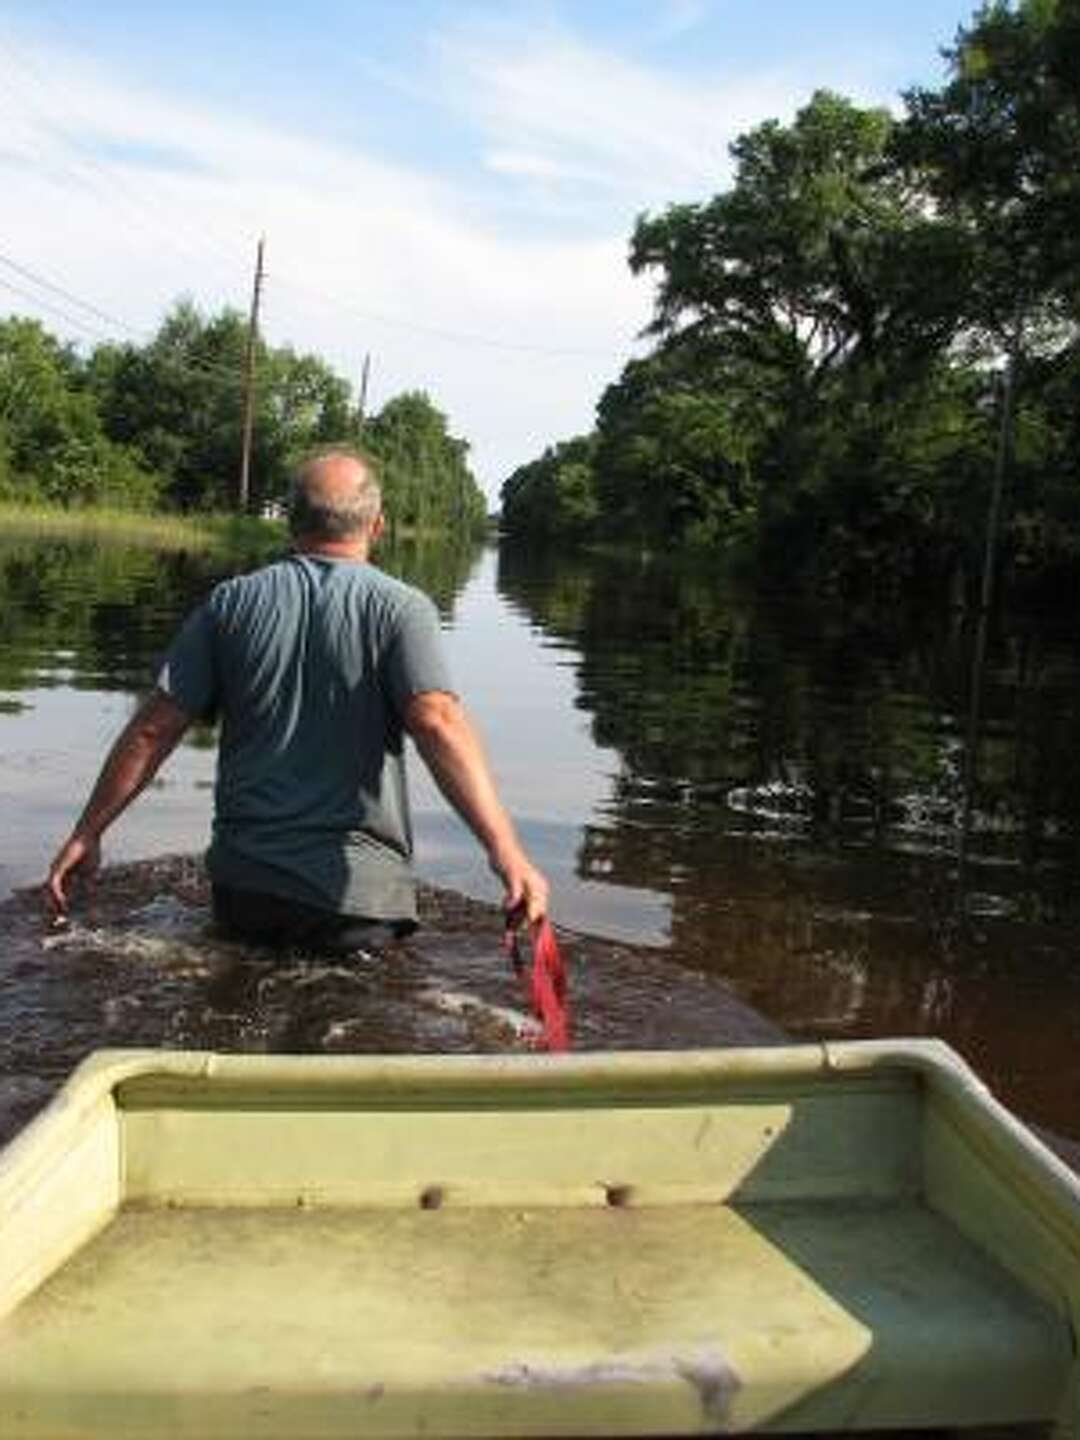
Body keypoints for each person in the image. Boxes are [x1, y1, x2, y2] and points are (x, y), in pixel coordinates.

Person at [45, 447, 549, 952]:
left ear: (291, 522)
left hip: (245, 891)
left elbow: (154, 728)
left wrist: (87, 832)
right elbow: (438, 724)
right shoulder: (403, 608)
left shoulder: (230, 602)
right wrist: (505, 850)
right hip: (357, 898)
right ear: (378, 527)